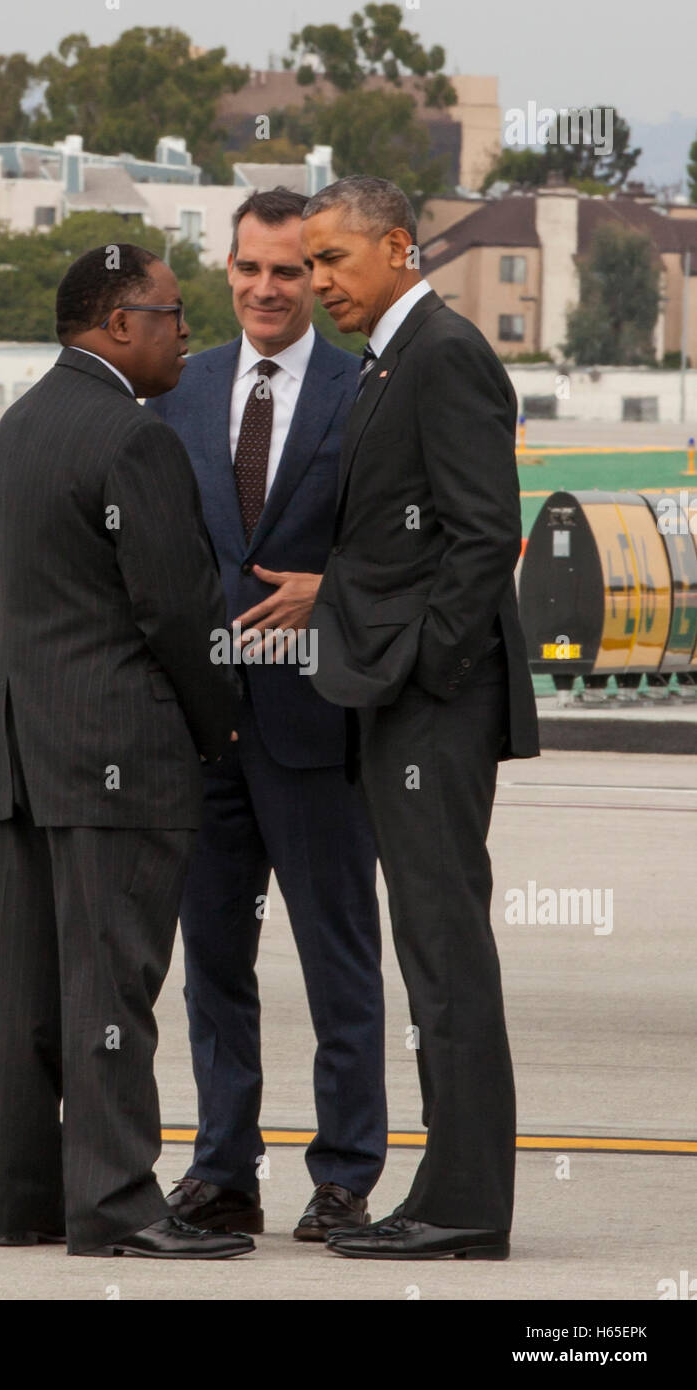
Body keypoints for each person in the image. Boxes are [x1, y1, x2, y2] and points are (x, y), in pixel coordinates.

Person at [0, 243, 252, 1260]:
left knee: (30, 989)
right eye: (171, 314)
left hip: (30, 749)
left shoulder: (20, 425)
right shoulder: (132, 439)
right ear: (114, 324)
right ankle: (117, 1203)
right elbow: (176, 608)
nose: (185, 332)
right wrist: (217, 719)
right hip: (118, 757)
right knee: (112, 988)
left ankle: (22, 1197)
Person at [300, 176, 540, 1260]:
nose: (315, 284)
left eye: (330, 261)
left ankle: (463, 1206)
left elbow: (485, 533)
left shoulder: (443, 353)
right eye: (307, 264)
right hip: (401, 695)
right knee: (430, 949)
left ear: (396, 248)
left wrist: (424, 669)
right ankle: (446, 1190)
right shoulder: (389, 359)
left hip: (430, 704)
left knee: (444, 951)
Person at [147, 189, 386, 1241]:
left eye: (288, 271)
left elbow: (403, 536)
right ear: (226, 269)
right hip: (203, 731)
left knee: (339, 957)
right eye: (247, 269)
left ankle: (342, 1175)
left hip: (316, 724)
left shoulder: (363, 388)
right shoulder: (180, 390)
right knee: (210, 964)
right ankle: (222, 1169)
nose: (265, 289)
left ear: (317, 275)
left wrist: (331, 585)